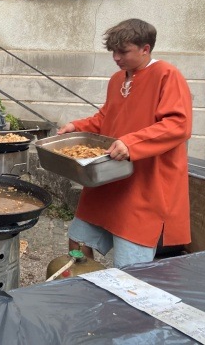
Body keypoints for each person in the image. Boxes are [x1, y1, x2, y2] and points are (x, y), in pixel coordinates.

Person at [57, 18, 192, 268]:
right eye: (113, 52)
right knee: (77, 241)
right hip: (107, 179)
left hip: (145, 183)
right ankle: (83, 286)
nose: (116, 58)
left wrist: (131, 144)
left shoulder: (167, 75)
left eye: (123, 51)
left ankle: (125, 293)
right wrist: (77, 127)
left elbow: (178, 124)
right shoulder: (117, 79)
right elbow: (106, 117)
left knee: (130, 268)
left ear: (145, 49)